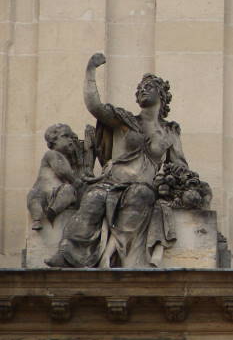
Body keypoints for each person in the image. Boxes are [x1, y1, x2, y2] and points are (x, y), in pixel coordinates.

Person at [45, 52, 189, 268]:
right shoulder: (125, 120)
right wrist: (91, 71)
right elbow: (95, 106)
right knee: (93, 198)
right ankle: (69, 253)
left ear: (162, 95)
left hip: (143, 186)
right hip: (112, 181)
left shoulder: (170, 132)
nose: (141, 90)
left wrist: (176, 184)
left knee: (140, 194)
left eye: (148, 87)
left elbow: (180, 168)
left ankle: (125, 261)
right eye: (139, 88)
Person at [27, 124, 82, 230]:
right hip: (40, 192)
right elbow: (61, 170)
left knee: (68, 192)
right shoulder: (52, 154)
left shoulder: (66, 159)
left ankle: (50, 212)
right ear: (53, 140)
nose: (70, 140)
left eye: (71, 137)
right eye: (66, 136)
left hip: (55, 193)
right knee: (36, 200)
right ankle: (38, 219)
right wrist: (75, 181)